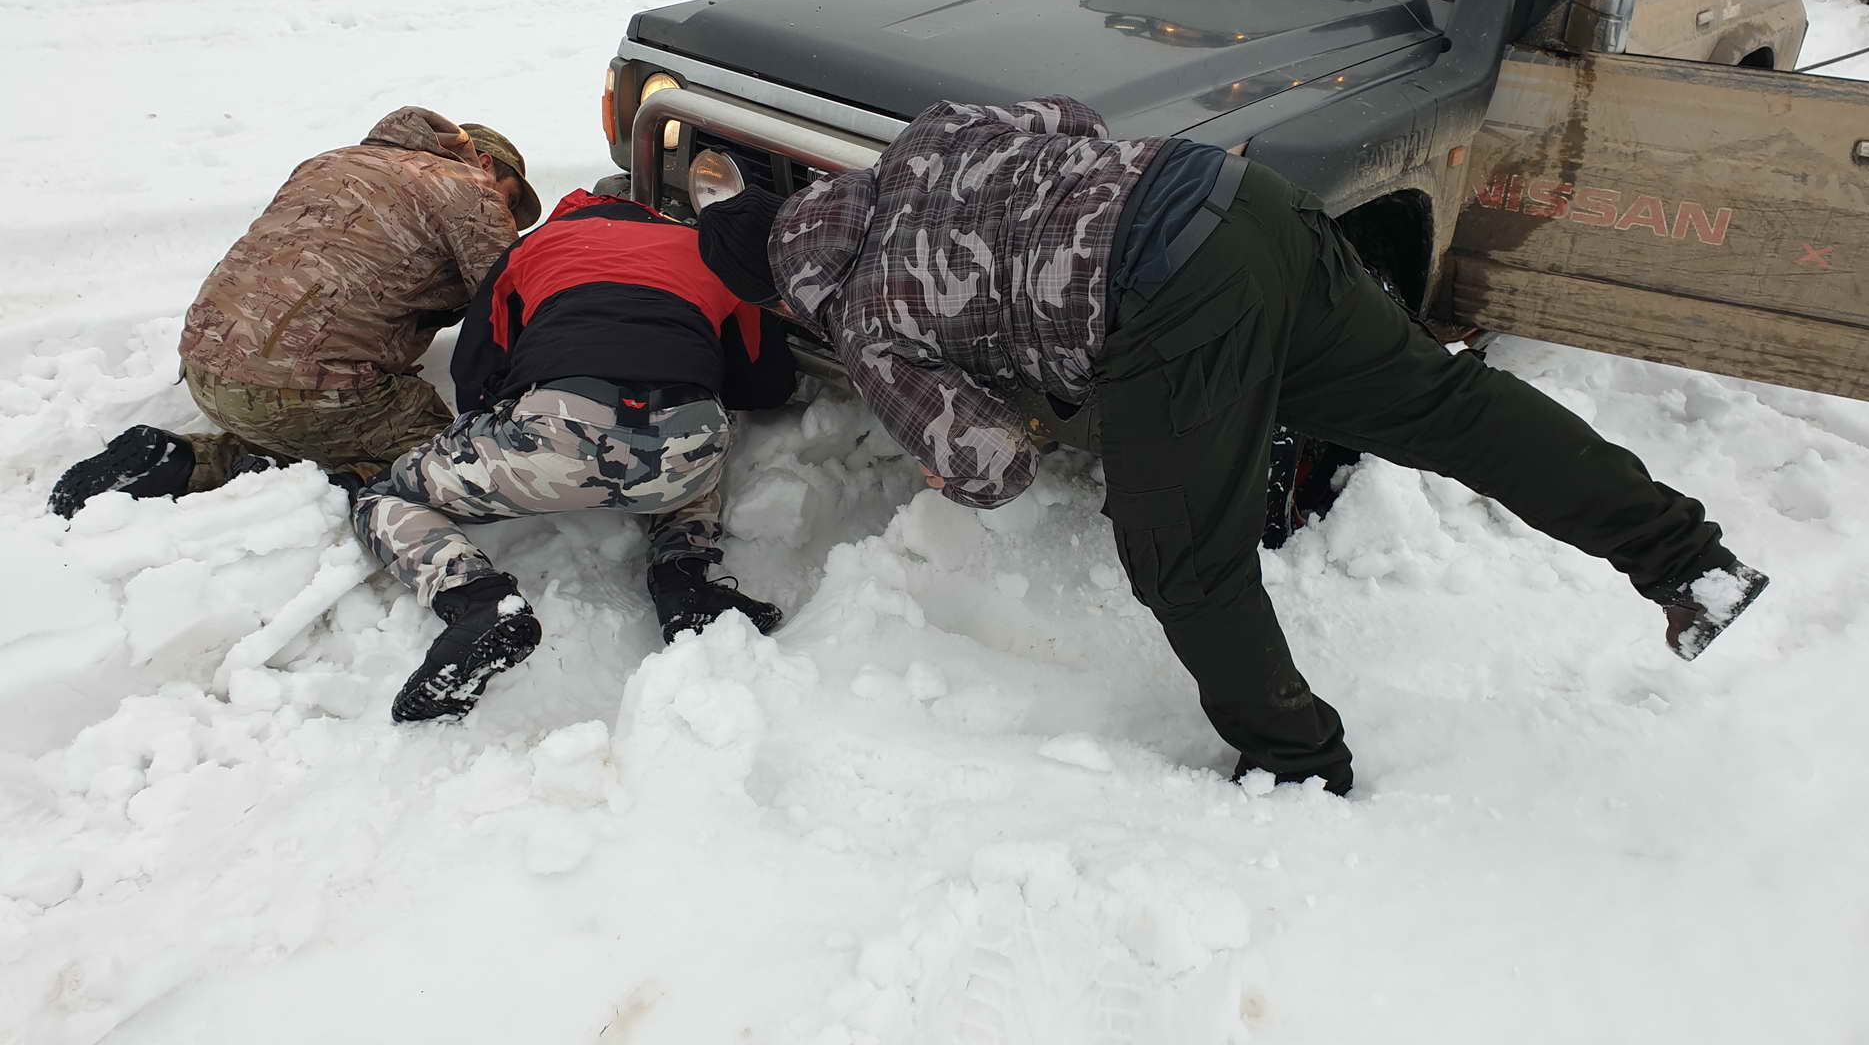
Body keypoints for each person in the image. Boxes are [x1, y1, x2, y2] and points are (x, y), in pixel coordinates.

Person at [695, 97, 1770, 796]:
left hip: (1167, 297)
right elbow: (1072, 117)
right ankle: (1688, 562)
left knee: (1179, 557)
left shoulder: (865, 322)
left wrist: (953, 444)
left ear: (780, 290)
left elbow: (997, 467)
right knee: (1447, 406)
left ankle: (1297, 767)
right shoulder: (925, 139)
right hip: (1235, 199)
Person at [353, 187, 796, 723]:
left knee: (384, 496)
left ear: (570, 214)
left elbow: (474, 375)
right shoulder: (708, 250)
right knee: (690, 437)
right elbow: (768, 385)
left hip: (556, 432)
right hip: (684, 449)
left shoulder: (533, 247)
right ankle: (686, 581)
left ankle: (477, 601)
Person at [48, 109, 537, 519]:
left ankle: (181, 460)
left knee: (318, 419)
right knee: (451, 464)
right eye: (510, 200)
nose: (507, 218)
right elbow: (509, 304)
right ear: (485, 163)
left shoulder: (328, 162)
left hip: (205, 367)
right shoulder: (469, 188)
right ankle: (333, 485)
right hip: (303, 393)